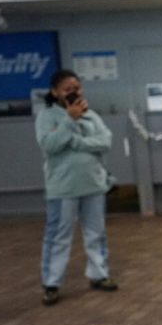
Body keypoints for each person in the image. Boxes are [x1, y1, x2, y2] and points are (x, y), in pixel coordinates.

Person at [35, 69, 118, 306]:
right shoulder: (48, 117)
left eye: (77, 88)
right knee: (58, 236)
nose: (73, 92)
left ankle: (99, 274)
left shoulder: (91, 115)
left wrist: (77, 142)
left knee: (96, 232)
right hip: (63, 187)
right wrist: (69, 120)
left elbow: (105, 141)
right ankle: (51, 283)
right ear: (55, 92)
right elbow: (50, 145)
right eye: (67, 89)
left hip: (93, 183)